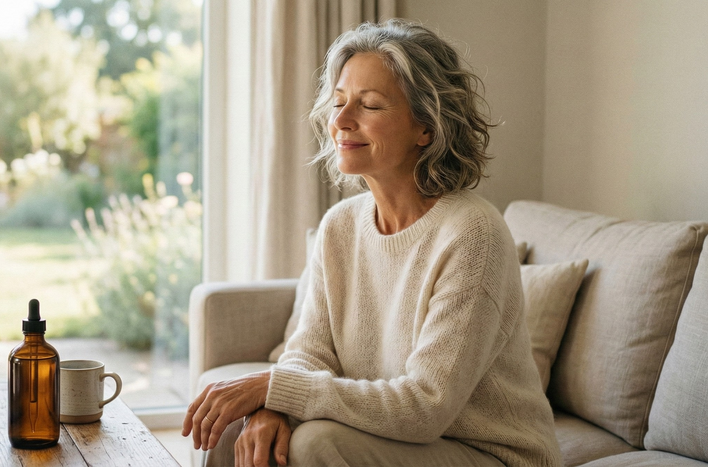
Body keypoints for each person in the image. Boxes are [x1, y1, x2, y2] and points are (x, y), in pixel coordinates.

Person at [183, 19, 562, 467]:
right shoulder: (340, 225)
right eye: (339, 102)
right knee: (242, 431)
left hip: (492, 453)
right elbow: (310, 349)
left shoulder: (473, 233)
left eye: (370, 105)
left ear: (426, 127)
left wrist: (272, 387)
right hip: (403, 441)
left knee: (314, 443)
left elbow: (426, 406)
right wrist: (271, 406)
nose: (341, 121)